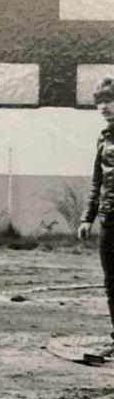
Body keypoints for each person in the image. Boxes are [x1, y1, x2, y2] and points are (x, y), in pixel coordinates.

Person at [77, 76, 114, 355]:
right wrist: (87, 218)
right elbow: (96, 181)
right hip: (109, 218)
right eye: (100, 102)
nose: (104, 107)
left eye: (109, 100)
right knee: (112, 281)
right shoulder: (103, 139)